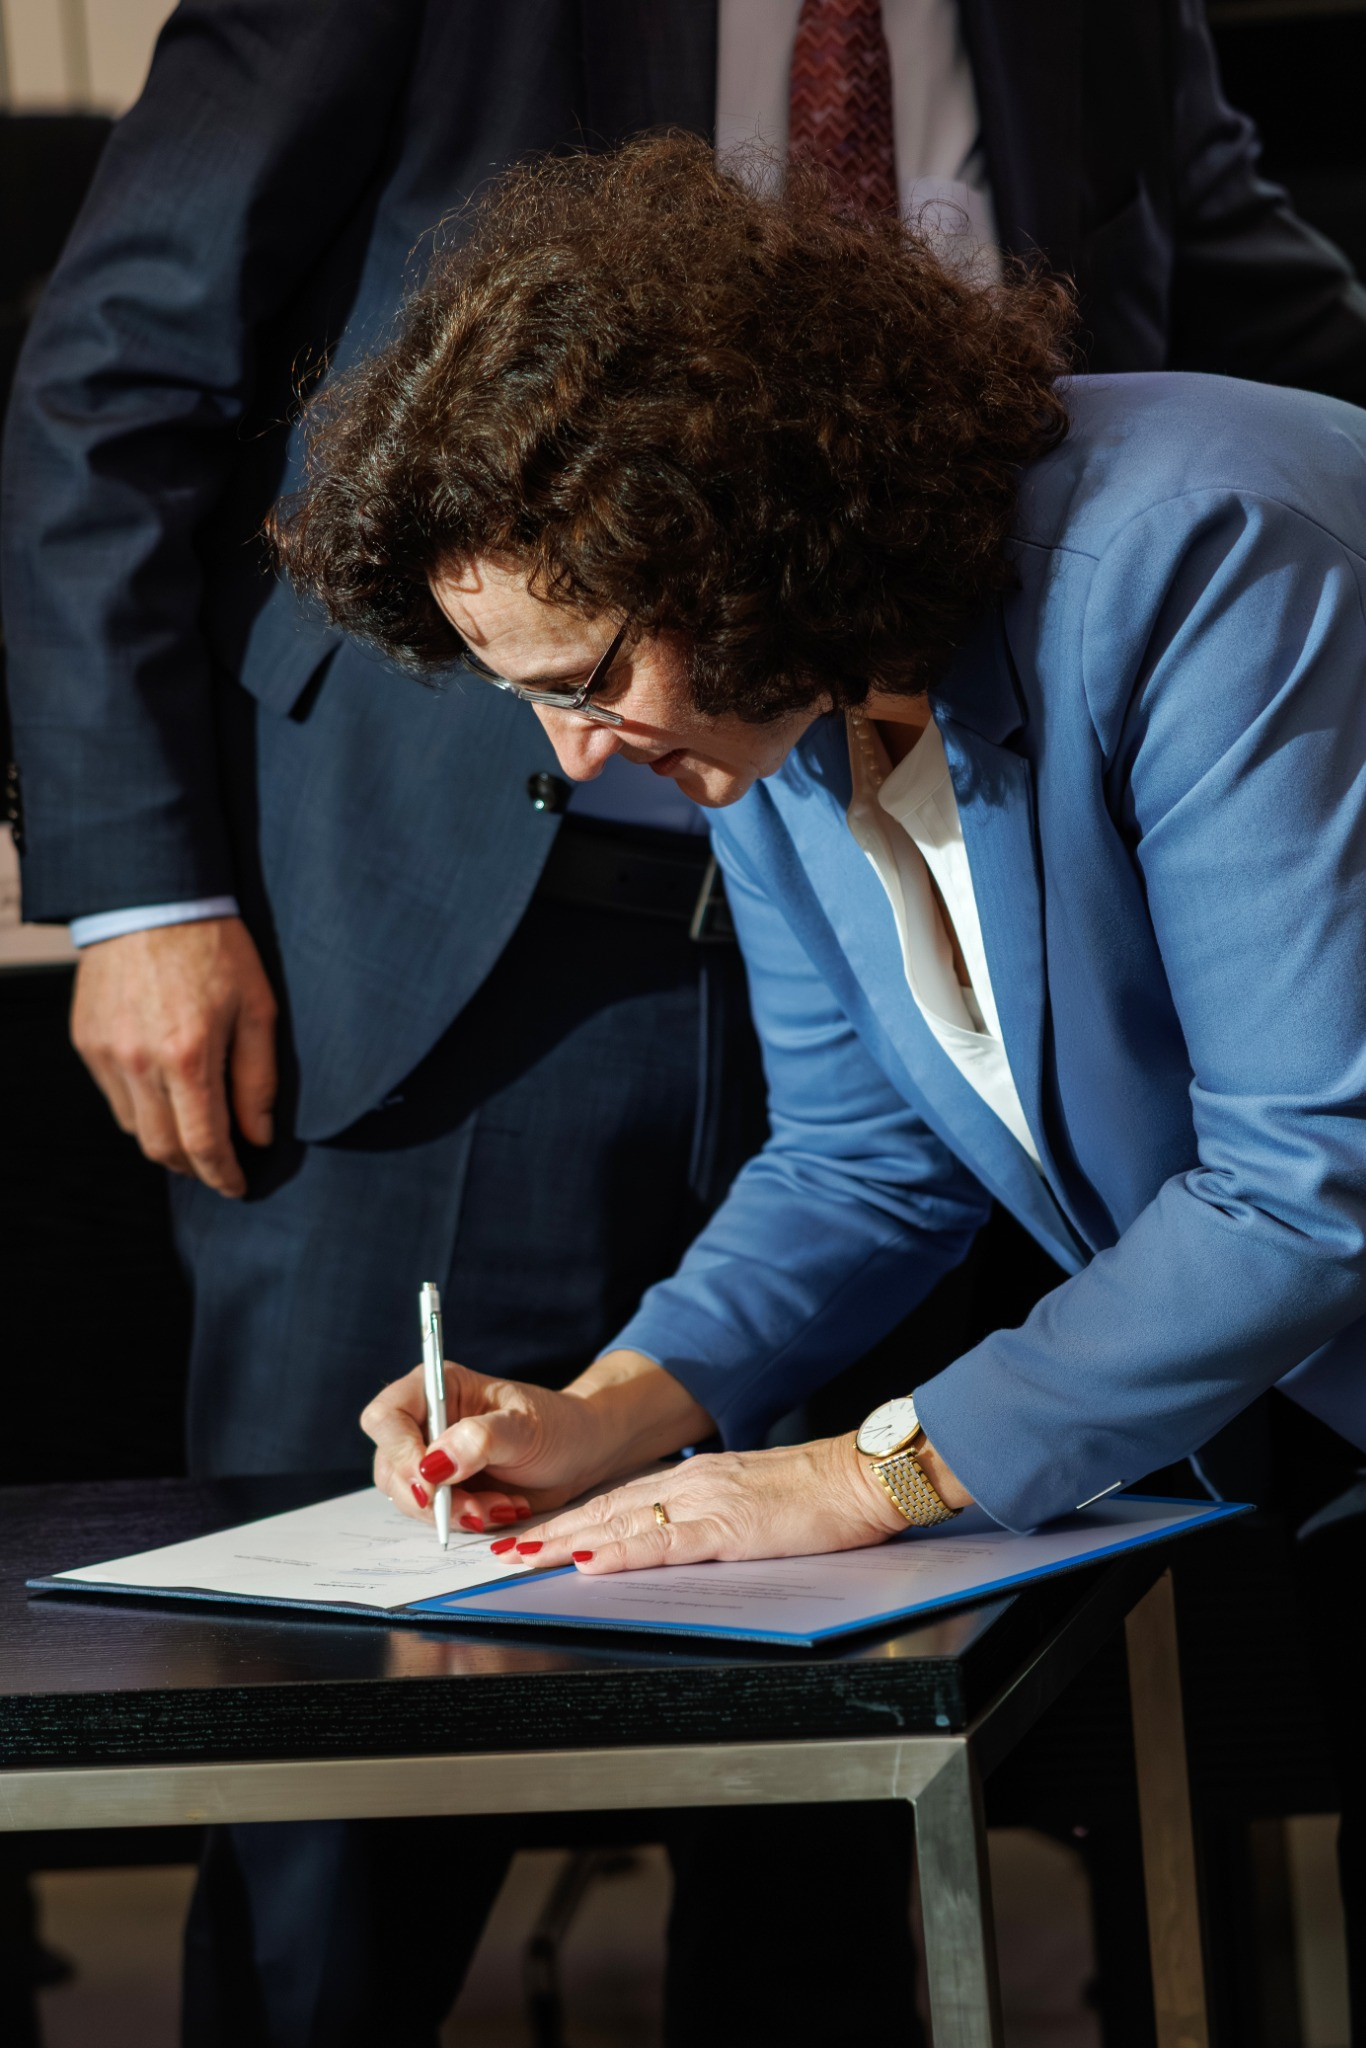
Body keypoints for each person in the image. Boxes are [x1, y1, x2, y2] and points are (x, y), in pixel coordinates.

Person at [8, 2, 1366, 2041]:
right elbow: (865, 1155)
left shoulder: (1202, 554)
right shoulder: (779, 690)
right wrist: (616, 1406)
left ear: (734, 531)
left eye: (582, 681)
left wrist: (868, 1476)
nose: (572, 756)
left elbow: (1306, 1179)